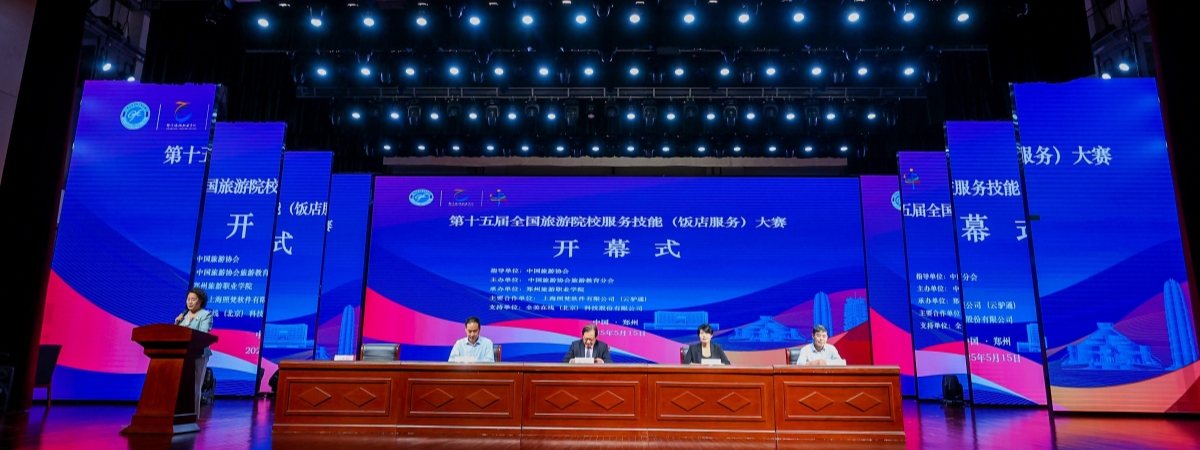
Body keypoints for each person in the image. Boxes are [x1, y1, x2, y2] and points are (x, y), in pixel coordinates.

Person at [175, 287, 213, 409]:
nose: (190, 302)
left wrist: (186, 328)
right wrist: (177, 323)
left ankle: (193, 415)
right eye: (188, 299)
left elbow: (203, 334)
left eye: (193, 299)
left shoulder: (206, 315)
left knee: (195, 386)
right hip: (182, 354)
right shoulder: (183, 315)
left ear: (201, 301)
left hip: (199, 354)